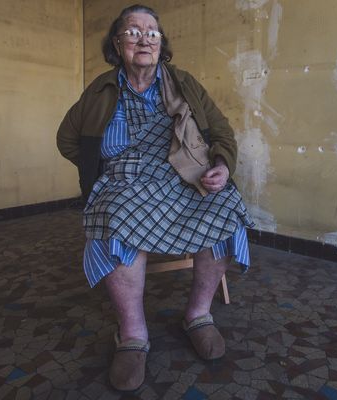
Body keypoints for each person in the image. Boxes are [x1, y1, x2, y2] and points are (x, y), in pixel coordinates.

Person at [57, 4, 254, 392]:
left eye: (152, 32)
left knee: (225, 206)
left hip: (183, 171)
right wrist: (95, 169)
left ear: (161, 43)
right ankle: (132, 334)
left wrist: (222, 165)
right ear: (117, 43)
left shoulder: (183, 83)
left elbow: (222, 132)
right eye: (132, 32)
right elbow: (67, 139)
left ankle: (198, 315)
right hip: (125, 177)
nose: (143, 38)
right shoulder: (100, 88)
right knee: (113, 214)